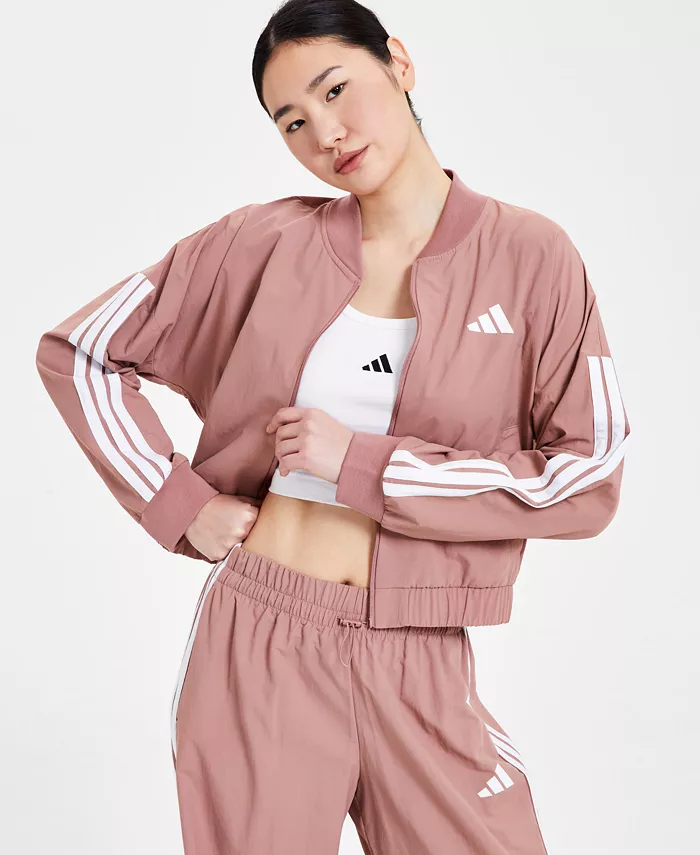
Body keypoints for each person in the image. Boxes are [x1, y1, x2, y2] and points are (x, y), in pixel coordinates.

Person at [35, 0, 631, 852]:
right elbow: (79, 352)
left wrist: (367, 465)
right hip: (260, 644)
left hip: (421, 653)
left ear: (399, 62)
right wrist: (183, 505)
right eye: (293, 121)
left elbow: (589, 474)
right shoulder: (261, 242)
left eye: (336, 89)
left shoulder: (532, 257)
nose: (326, 133)